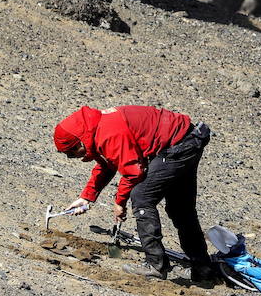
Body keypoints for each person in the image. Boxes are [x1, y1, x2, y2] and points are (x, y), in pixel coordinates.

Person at [54, 105, 216, 281]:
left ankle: (156, 265)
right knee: (181, 209)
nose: (75, 158)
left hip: (178, 145)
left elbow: (133, 172)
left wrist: (119, 203)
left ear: (80, 140)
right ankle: (203, 269)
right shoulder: (97, 128)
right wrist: (86, 197)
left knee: (141, 196)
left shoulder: (108, 133)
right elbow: (107, 164)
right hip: (187, 138)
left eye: (72, 153)